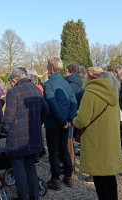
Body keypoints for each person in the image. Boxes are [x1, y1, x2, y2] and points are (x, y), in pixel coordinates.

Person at [0, 67, 48, 200]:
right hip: (33, 137)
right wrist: (36, 124)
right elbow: (46, 111)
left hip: (17, 139)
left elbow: (8, 118)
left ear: (14, 80)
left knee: (19, 168)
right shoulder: (36, 89)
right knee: (30, 166)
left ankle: (22, 197)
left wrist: (0, 131)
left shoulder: (14, 92)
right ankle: (34, 196)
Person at [73, 67, 122, 200]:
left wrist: (74, 121)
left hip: (96, 141)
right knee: (109, 176)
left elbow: (82, 119)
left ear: (91, 78)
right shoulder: (113, 92)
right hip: (110, 140)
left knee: (99, 178)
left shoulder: (90, 92)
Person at [44, 57, 77, 190]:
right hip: (65, 122)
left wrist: (63, 121)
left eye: (47, 66)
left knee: (53, 151)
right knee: (63, 148)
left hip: (54, 123)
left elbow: (52, 104)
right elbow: (73, 102)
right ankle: (68, 176)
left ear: (51, 68)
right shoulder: (66, 83)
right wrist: (70, 119)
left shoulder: (49, 84)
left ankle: (55, 179)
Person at [64, 64, 84, 165]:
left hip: (70, 115)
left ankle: (69, 164)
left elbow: (71, 101)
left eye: (66, 71)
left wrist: (69, 118)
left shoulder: (71, 84)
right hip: (73, 113)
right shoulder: (76, 83)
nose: (65, 73)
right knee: (69, 140)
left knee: (68, 141)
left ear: (71, 72)